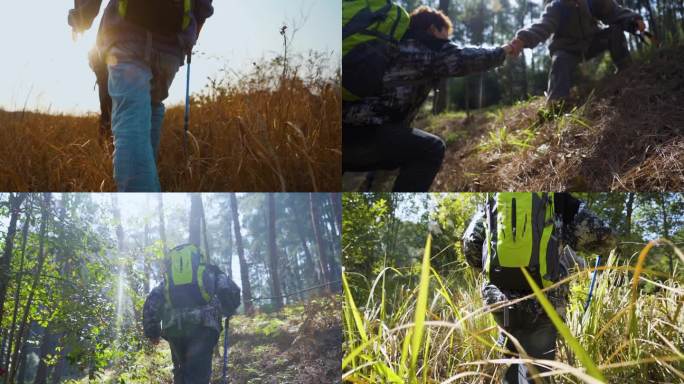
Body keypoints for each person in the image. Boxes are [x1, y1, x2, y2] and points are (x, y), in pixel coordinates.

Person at [343, 6, 515, 192]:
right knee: (431, 149)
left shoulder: (390, 45)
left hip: (339, 131)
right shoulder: (426, 47)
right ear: (433, 29)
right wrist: (504, 50)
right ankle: (397, 216)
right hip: (364, 136)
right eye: (445, 35)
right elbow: (465, 59)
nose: (447, 41)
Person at [462, 193, 616, 384]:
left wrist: (502, 272)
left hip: (501, 300)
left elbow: (470, 246)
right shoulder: (559, 201)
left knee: (512, 366)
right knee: (537, 372)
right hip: (545, 302)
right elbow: (605, 236)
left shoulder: (497, 200)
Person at [68, 0, 214, 191]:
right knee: (151, 110)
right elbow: (203, 6)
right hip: (172, 46)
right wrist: (190, 37)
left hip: (126, 35)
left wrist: (80, 18)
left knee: (131, 121)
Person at [506, 0, 645, 105]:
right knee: (559, 60)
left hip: (591, 43)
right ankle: (556, 103)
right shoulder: (557, 7)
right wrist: (522, 39)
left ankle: (627, 71)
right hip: (568, 49)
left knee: (615, 31)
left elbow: (614, 11)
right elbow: (543, 26)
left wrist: (633, 19)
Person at [143, 244, 241, 384]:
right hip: (204, 328)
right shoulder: (211, 272)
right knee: (197, 375)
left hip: (174, 329)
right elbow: (232, 292)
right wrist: (227, 308)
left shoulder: (168, 280)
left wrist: (152, 331)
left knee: (181, 372)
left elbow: (152, 301)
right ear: (198, 258)